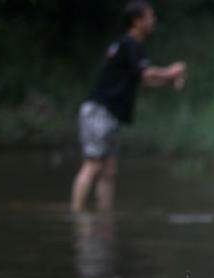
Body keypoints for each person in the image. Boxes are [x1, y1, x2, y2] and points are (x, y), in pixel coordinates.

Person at [70, 0, 187, 212]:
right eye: (150, 16)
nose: (154, 20)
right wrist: (171, 72)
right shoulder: (129, 44)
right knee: (93, 164)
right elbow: (146, 73)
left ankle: (104, 217)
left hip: (111, 115)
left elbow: (143, 79)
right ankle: (76, 215)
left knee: (109, 171)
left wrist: (169, 79)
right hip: (99, 111)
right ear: (137, 21)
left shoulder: (133, 47)